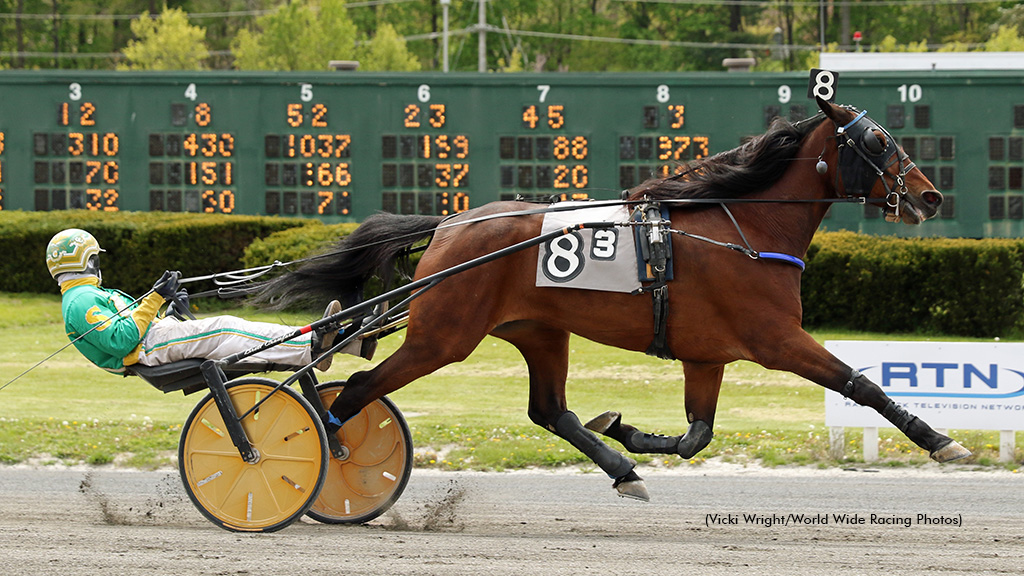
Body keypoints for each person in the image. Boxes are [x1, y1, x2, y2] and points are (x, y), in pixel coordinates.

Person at [45, 228, 371, 375]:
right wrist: (156, 296)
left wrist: (169, 309)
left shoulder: (84, 295)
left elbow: (131, 325)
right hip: (143, 351)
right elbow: (120, 340)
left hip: (151, 341)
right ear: (87, 261)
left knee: (230, 328)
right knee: (225, 327)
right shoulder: (80, 300)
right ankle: (311, 345)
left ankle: (347, 343)